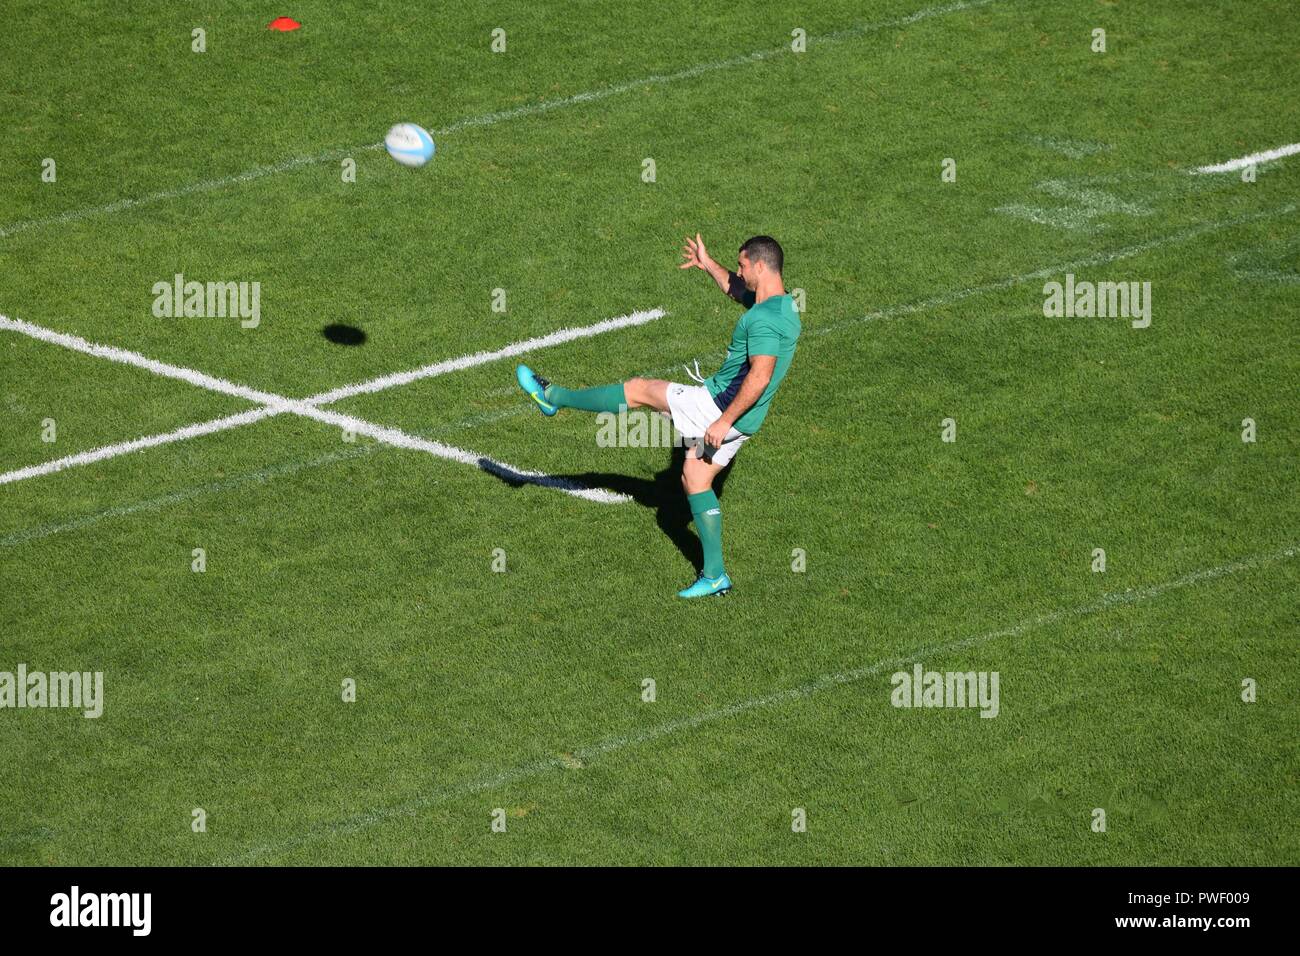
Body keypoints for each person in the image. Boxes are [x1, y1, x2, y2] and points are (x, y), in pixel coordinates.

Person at [515, 234, 800, 598]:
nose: (740, 273)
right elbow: (738, 292)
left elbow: (759, 376)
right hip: (747, 423)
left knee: (639, 390)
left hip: (717, 409)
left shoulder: (762, 320)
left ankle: (552, 396)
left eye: (743, 265)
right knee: (695, 476)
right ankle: (715, 577)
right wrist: (708, 263)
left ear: (760, 265)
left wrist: (722, 421)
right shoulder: (783, 307)